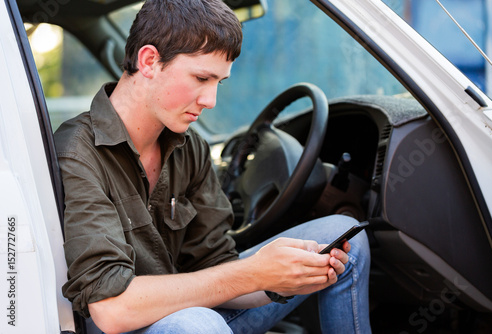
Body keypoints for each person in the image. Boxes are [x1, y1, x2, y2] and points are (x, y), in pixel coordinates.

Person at [54, 0, 371, 333]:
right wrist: (253, 272)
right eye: (201, 77)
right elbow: (112, 310)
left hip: (186, 314)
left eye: (218, 82)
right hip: (128, 323)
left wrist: (282, 278)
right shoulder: (78, 152)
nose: (210, 100)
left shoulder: (189, 148)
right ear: (149, 61)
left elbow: (216, 268)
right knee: (198, 324)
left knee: (340, 236)